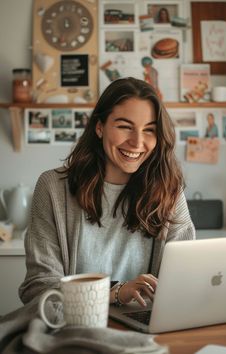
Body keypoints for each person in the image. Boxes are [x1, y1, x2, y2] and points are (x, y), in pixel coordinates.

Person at [19, 77, 195, 309]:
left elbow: (186, 280)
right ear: (99, 127)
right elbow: (38, 287)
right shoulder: (53, 187)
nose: (137, 142)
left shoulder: (168, 191)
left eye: (149, 130)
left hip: (145, 328)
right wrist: (115, 293)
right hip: (75, 328)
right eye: (124, 126)